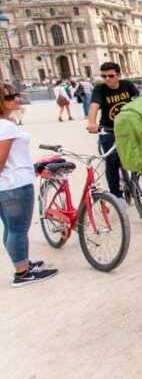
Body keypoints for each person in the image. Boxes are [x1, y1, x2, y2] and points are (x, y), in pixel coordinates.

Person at [0, 83, 58, 287]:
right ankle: (22, 273)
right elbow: (1, 160)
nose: (16, 98)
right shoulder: (5, 126)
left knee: (10, 228)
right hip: (15, 185)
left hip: (6, 185)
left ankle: (22, 264)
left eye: (16, 94)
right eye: (9, 97)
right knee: (18, 229)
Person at [87, 62, 139, 200]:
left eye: (111, 76)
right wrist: (92, 123)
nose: (107, 79)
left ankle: (140, 185)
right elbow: (93, 106)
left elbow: (140, 102)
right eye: (104, 76)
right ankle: (116, 196)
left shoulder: (127, 85)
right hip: (109, 129)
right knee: (112, 162)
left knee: (139, 156)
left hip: (129, 128)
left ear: (119, 75)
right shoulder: (100, 89)